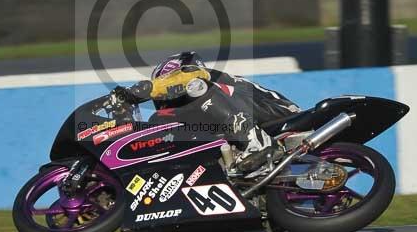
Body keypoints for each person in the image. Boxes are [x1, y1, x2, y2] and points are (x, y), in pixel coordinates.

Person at [114, 51, 301, 173]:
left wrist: (138, 92)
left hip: (280, 114)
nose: (164, 102)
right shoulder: (201, 114)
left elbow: (190, 77)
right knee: (161, 121)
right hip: (247, 123)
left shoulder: (205, 77)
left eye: (165, 93)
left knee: (199, 87)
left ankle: (258, 143)